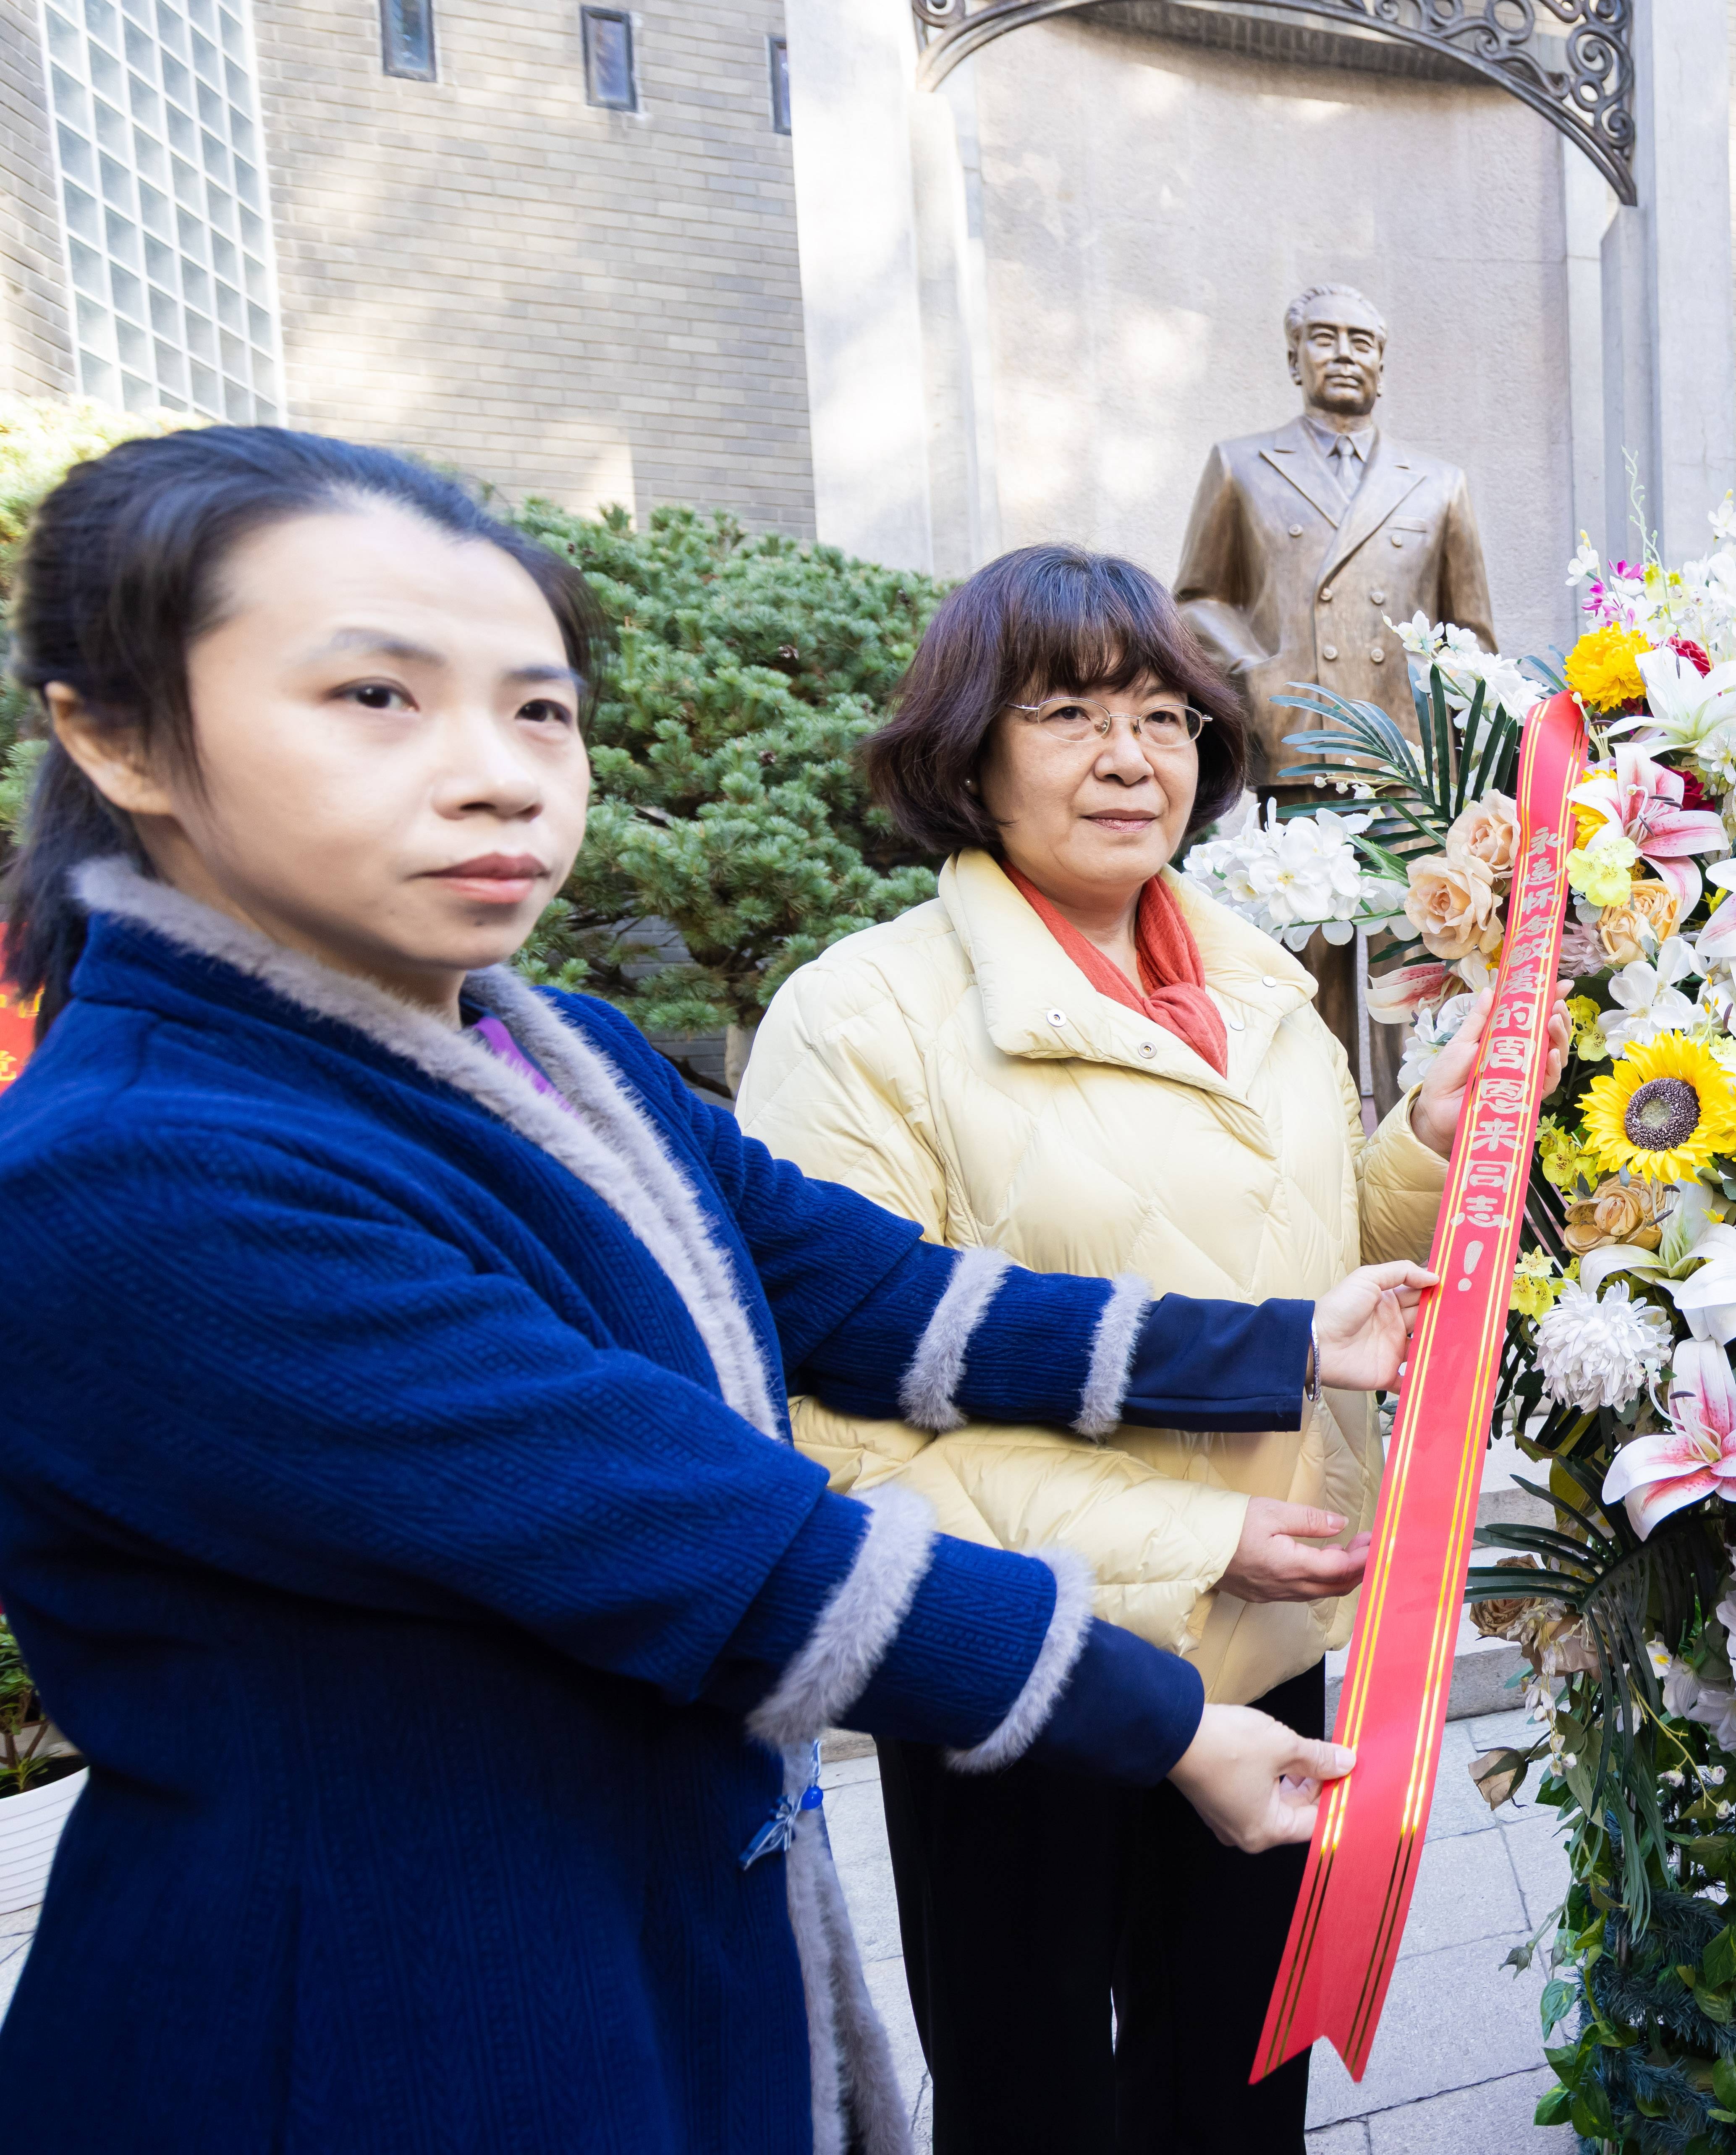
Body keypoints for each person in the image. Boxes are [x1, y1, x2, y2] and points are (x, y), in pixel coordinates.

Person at [0, 427, 1433, 2153]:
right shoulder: (153, 1171)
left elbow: (882, 1299)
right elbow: (722, 1544)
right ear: (119, 734)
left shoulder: (563, 1053)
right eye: (377, 696)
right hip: (386, 2015)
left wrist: (1285, 1342)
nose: (496, 775)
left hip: (662, 1913)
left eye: (538, 709)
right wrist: (1166, 1719)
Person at [736, 544, 1539, 2152]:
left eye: (1166, 716)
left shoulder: (1259, 989)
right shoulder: (861, 1019)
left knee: (1237, 2085)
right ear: (965, 749)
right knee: (1033, 2095)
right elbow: (841, 1431)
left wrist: (1421, 1152)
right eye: (1068, 713)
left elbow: (1306, 1284)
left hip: (1271, 1635)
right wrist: (1194, 1540)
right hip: (1021, 1664)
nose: (1131, 757)